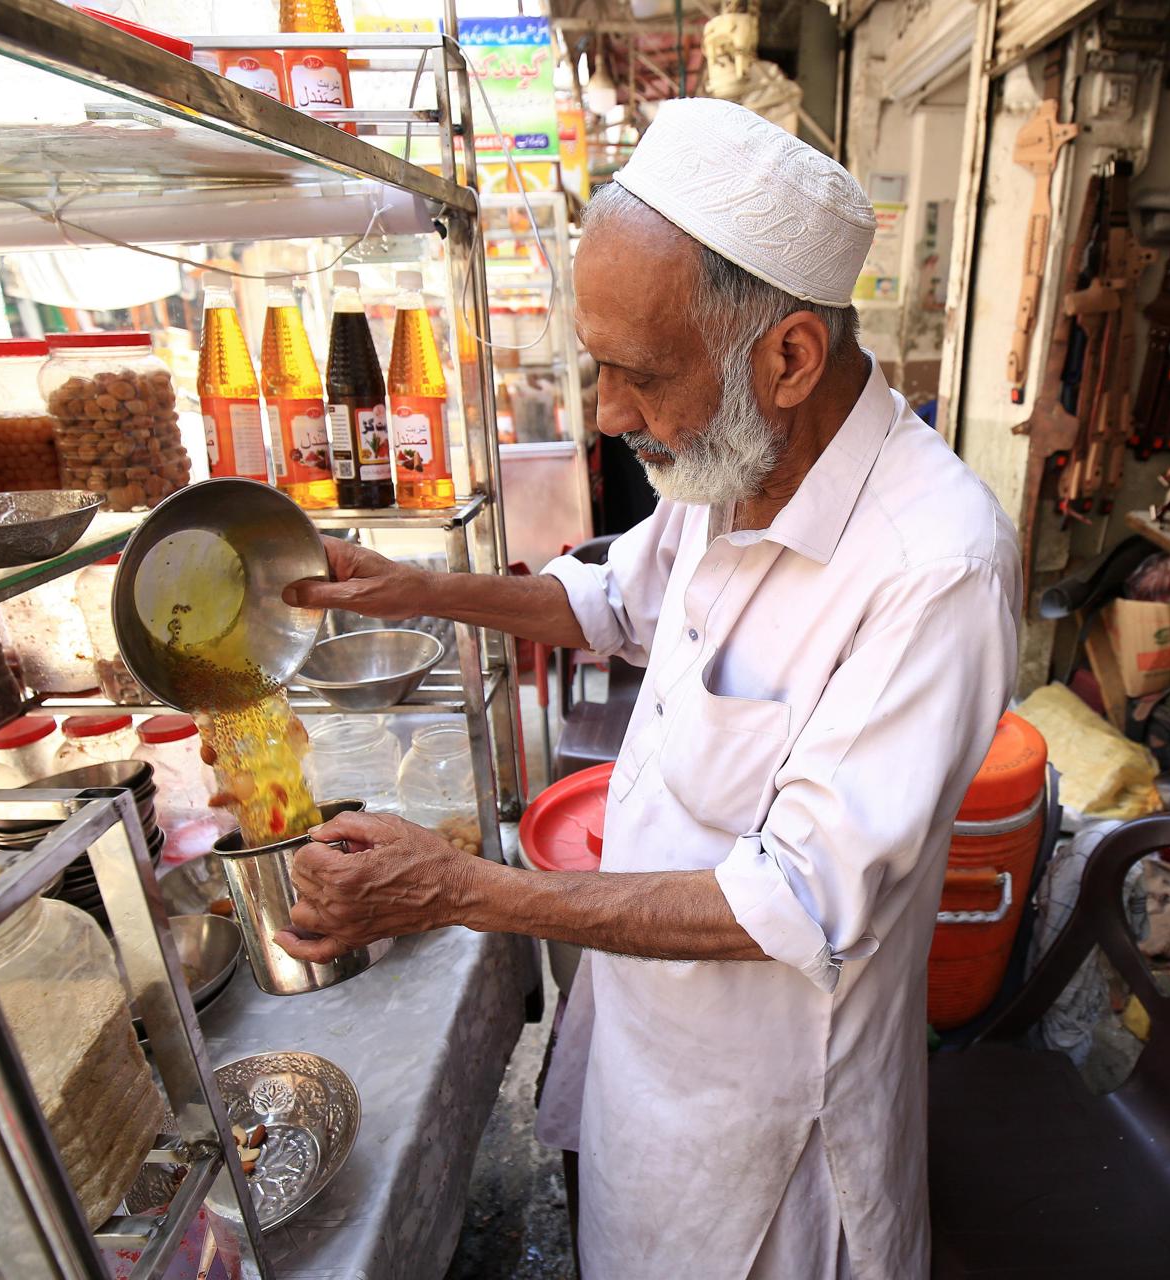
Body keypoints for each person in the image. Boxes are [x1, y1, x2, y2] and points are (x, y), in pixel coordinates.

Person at [278, 97, 1022, 1278]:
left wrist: (463, 890)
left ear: (789, 358)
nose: (609, 413)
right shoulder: (727, 462)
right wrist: (408, 588)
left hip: (769, 1110)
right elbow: (608, 602)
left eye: (639, 373)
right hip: (645, 1036)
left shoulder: (936, 566)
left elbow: (795, 902)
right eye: (598, 365)